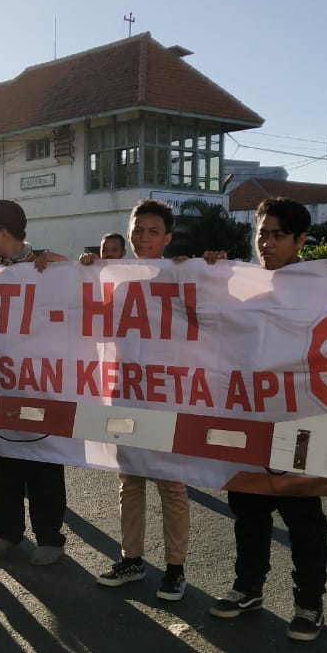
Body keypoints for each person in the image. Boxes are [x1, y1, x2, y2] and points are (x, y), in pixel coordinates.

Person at [209, 198, 327, 641]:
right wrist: (202, 273)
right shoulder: (243, 284)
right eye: (262, 233)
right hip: (249, 418)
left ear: (301, 240)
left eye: (278, 234)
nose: (267, 242)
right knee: (248, 510)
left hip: (300, 422)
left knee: (303, 517)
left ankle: (309, 604)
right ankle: (248, 588)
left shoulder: (323, 287)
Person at [80, 200, 191, 600]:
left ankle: (176, 569)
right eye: (137, 229)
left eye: (152, 231)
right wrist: (83, 273)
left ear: (167, 237)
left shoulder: (182, 277)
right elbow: (89, 323)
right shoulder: (117, 281)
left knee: (171, 483)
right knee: (130, 480)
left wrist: (212, 268)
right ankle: (132, 559)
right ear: (128, 233)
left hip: (166, 395)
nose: (144, 237)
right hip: (124, 391)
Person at [0, 199, 69, 565]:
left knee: (43, 460)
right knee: (1, 461)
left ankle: (49, 537)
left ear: (5, 232)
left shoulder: (45, 264)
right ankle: (8, 533)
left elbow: (84, 281)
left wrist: (60, 264)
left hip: (39, 383)